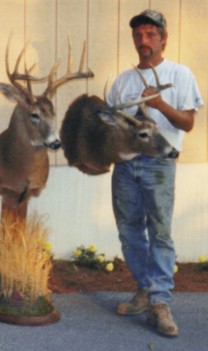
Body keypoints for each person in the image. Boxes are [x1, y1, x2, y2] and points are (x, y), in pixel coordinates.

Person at [107, 9, 203, 337]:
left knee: (160, 232)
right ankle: (145, 290)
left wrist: (160, 104)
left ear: (163, 38)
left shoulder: (180, 74)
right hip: (125, 166)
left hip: (159, 164)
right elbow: (111, 128)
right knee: (129, 231)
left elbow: (188, 123)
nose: (143, 41)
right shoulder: (122, 81)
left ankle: (160, 301)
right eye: (139, 35)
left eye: (150, 34)